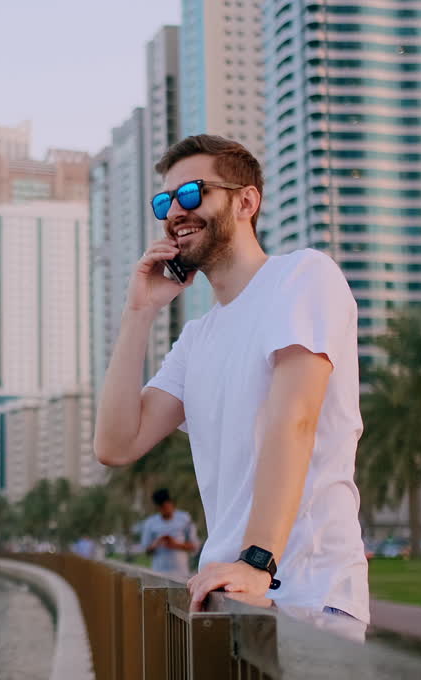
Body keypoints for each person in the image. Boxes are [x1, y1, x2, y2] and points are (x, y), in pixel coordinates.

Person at [92, 134, 369, 634]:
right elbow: (115, 444)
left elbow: (296, 421)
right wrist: (140, 312)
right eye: (166, 201)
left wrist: (258, 561)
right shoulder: (196, 339)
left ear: (246, 201)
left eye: (193, 193)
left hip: (306, 595)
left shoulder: (302, 275)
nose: (176, 210)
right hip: (227, 594)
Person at [136, 488, 199, 576]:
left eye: (166, 506)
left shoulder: (185, 518)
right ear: (157, 507)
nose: (165, 509)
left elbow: (194, 546)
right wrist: (156, 543)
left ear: (171, 503)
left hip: (181, 573)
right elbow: (146, 550)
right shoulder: (151, 523)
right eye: (161, 507)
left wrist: (176, 544)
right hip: (159, 572)